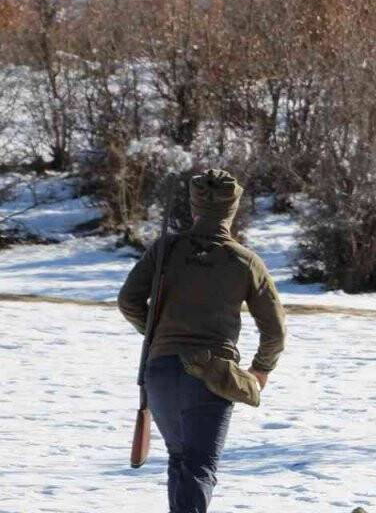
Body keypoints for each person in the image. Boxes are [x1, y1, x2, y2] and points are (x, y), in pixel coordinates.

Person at [118, 169, 286, 513]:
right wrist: (261, 369)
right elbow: (275, 330)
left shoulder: (166, 249)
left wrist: (157, 336)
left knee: (180, 461)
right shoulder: (245, 261)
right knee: (198, 466)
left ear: (194, 208)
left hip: (160, 370)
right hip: (211, 376)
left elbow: (129, 301)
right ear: (232, 210)